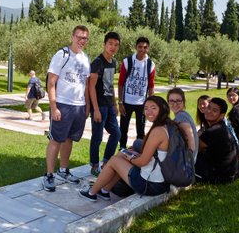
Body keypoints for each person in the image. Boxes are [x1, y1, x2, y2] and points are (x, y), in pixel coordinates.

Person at [78, 95, 171, 201]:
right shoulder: (165, 126)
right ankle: (104, 191)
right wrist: (131, 155)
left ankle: (91, 192)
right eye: (146, 108)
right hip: (158, 181)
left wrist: (130, 158)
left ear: (162, 109)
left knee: (115, 160)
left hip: (150, 185)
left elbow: (142, 162)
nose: (149, 111)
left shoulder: (158, 131)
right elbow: (154, 156)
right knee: (122, 155)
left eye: (153, 108)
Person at [42, 25, 91, 192]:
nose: (81, 41)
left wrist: (87, 106)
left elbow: (85, 85)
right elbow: (51, 83)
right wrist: (54, 106)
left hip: (78, 106)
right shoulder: (62, 54)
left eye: (85, 38)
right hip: (62, 104)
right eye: (79, 37)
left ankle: (63, 170)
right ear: (72, 36)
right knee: (56, 139)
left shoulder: (85, 59)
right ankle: (49, 175)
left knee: (69, 139)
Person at [88, 32, 122, 176]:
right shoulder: (97, 62)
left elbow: (109, 84)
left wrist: (114, 104)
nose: (113, 47)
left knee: (116, 133)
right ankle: (94, 165)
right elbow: (91, 86)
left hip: (109, 105)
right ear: (104, 44)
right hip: (99, 105)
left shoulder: (113, 62)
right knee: (98, 136)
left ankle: (106, 162)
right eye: (110, 44)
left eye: (116, 45)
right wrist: (95, 109)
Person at [118, 36, 156, 150]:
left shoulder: (151, 64)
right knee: (123, 128)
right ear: (136, 47)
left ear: (148, 48)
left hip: (142, 104)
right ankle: (122, 148)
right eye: (140, 47)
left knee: (141, 129)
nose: (142, 49)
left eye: (145, 47)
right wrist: (120, 102)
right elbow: (120, 83)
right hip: (126, 102)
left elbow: (151, 86)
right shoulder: (127, 61)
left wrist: (150, 104)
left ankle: (140, 150)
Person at [195, 97, 239, 184]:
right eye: (208, 107)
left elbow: (194, 148)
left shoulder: (215, 130)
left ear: (222, 115)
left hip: (221, 177)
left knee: (186, 165)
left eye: (214, 110)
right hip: (231, 172)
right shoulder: (221, 126)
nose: (208, 111)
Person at [167, 88, 198, 160]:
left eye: (178, 101)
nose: (175, 104)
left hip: (184, 165)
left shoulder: (181, 118)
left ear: (183, 102)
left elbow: (191, 148)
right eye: (171, 101)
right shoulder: (184, 114)